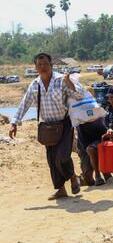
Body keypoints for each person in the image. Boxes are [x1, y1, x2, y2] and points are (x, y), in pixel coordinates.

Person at [9, 53, 83, 200]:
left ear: (51, 65)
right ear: (36, 67)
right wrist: (14, 123)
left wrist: (70, 83)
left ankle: (73, 176)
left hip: (65, 123)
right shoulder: (34, 85)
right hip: (47, 128)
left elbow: (79, 95)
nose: (42, 67)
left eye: (45, 64)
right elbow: (24, 104)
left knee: (62, 157)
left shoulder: (61, 80)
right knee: (52, 160)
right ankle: (61, 190)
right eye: (39, 65)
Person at [76, 117, 110, 186]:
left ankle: (98, 176)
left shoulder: (96, 113)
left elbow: (104, 132)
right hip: (84, 147)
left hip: (99, 142)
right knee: (88, 178)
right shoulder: (79, 117)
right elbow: (83, 142)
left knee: (91, 149)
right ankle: (82, 179)